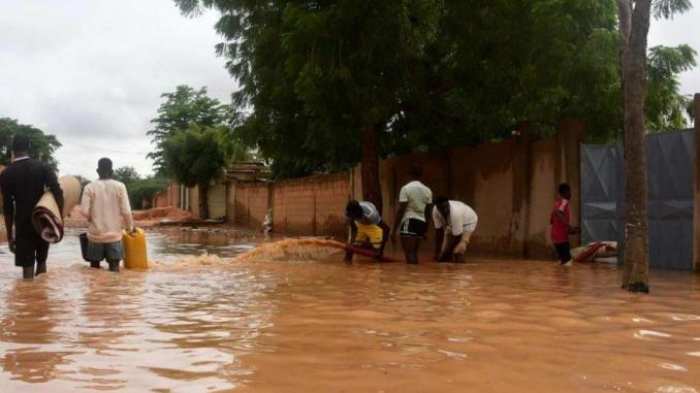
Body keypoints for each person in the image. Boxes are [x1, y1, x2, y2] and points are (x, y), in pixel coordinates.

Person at [0, 134, 64, 279]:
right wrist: (58, 218)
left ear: (13, 149)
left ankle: (27, 297)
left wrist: (10, 235)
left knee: (27, 269)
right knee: (42, 262)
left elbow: (8, 207)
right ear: (28, 148)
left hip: (23, 225)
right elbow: (57, 192)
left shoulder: (6, 174)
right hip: (43, 220)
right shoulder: (42, 167)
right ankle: (41, 297)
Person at [80, 158, 134, 272]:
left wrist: (91, 218)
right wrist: (130, 228)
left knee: (94, 272)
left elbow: (84, 211)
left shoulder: (89, 187)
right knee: (114, 271)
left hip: (95, 236)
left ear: (97, 171)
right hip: (114, 237)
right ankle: (112, 289)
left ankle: (97, 290)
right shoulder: (120, 186)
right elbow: (126, 211)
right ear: (112, 171)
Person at [392, 165, 432, 264]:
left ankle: (410, 277)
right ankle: (414, 277)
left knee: (409, 253)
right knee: (414, 253)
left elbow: (401, 209)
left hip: (409, 221)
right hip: (421, 223)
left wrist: (393, 230)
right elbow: (428, 212)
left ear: (409, 175)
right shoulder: (427, 190)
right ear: (421, 175)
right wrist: (426, 230)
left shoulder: (406, 189)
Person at [432, 196, 478, 263]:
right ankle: (447, 254)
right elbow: (439, 231)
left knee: (459, 248)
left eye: (446, 207)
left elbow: (457, 236)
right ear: (437, 207)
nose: (445, 210)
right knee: (444, 251)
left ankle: (458, 255)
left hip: (468, 221)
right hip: (451, 222)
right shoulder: (435, 211)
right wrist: (437, 252)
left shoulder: (455, 213)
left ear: (448, 204)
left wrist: (447, 254)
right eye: (442, 208)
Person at [550, 183, 579, 266]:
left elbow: (552, 220)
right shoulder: (564, 202)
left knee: (562, 261)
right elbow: (558, 213)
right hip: (562, 237)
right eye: (569, 192)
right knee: (568, 261)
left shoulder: (556, 204)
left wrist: (568, 229)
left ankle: (560, 278)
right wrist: (568, 226)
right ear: (564, 193)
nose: (570, 194)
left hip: (555, 236)